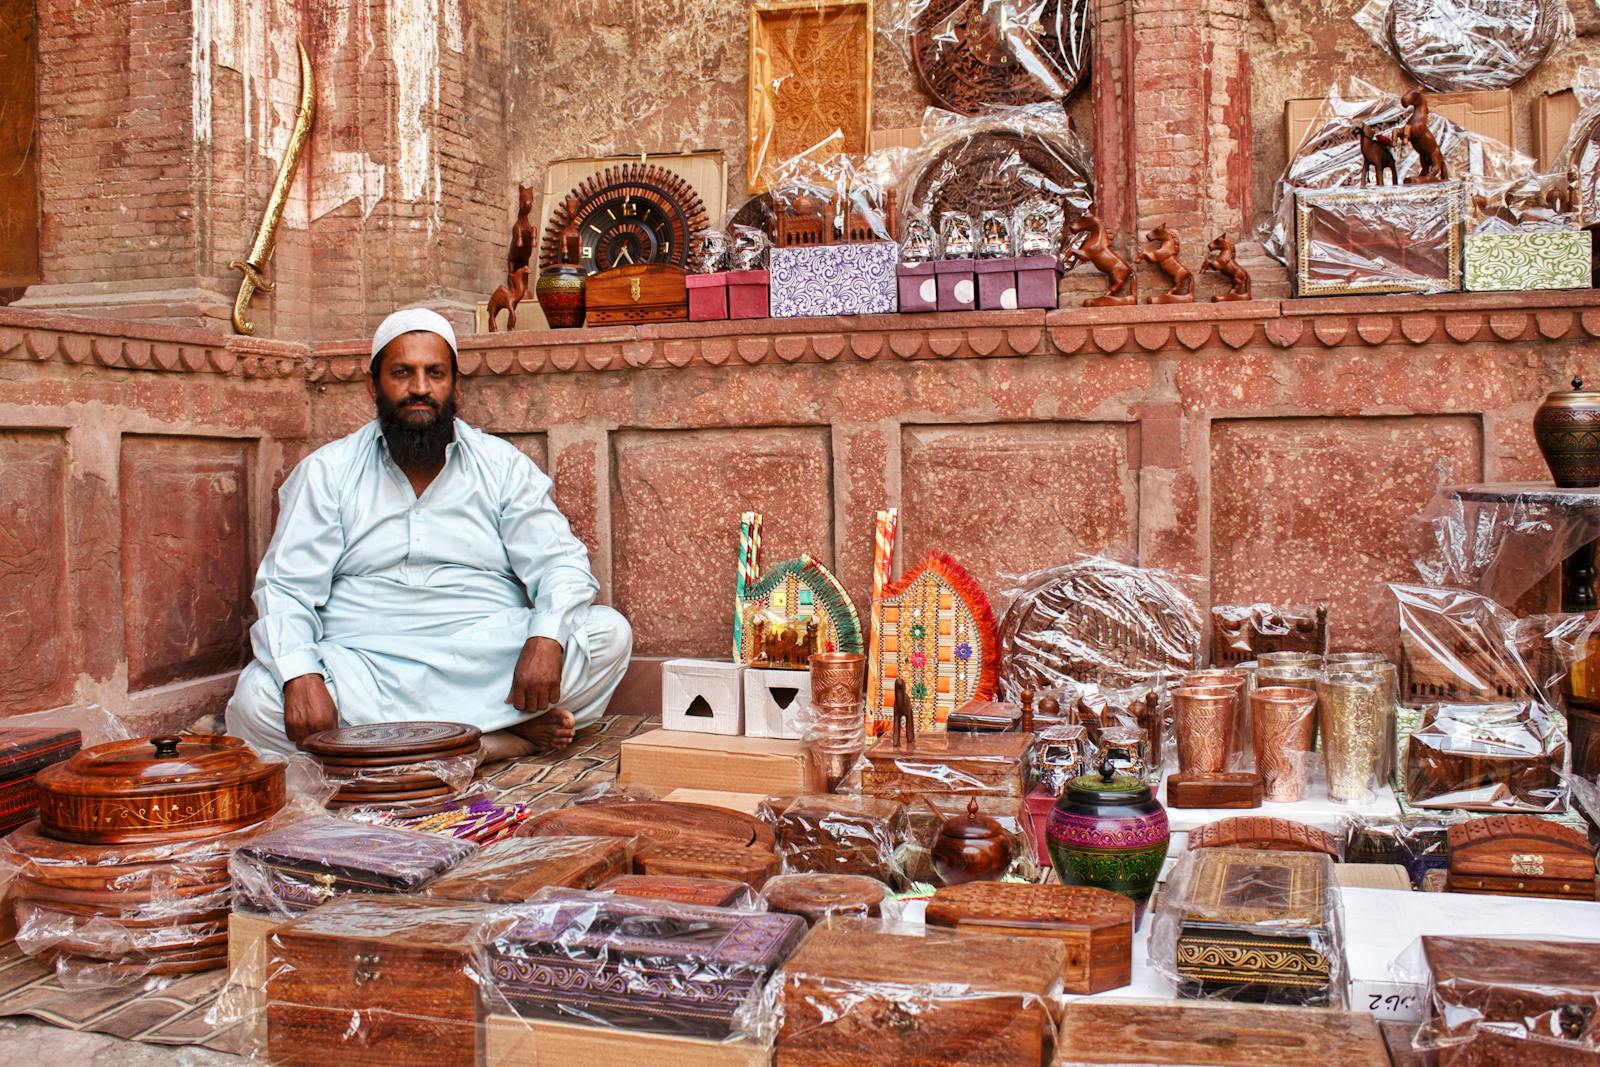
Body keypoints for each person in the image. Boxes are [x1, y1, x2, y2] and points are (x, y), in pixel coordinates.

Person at [226, 308, 632, 759]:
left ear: (455, 386)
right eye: (402, 372)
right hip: (363, 664)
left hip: (481, 654)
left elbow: (560, 564)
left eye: (434, 373)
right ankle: (489, 743)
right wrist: (302, 678)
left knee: (606, 634)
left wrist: (545, 640)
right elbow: (286, 588)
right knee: (256, 700)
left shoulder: (501, 466)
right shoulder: (327, 472)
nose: (420, 387)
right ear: (373, 384)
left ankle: (376, 752)